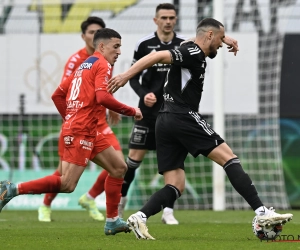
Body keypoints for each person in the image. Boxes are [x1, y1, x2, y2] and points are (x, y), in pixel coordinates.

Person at [107, 18, 293, 240]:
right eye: (219, 40)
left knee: (176, 185)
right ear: (209, 36)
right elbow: (157, 56)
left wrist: (225, 37)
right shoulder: (193, 53)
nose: (221, 45)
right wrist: (125, 76)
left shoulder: (189, 46)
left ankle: (140, 216)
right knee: (229, 158)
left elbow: (196, 40)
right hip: (181, 115)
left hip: (164, 120)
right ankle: (261, 213)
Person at [0, 28, 143, 236]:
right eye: (116, 46)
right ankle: (13, 189)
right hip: (81, 130)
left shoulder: (83, 66)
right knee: (67, 183)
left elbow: (57, 95)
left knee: (119, 168)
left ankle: (112, 220)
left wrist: (70, 117)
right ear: (101, 47)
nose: (120, 51)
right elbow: (103, 98)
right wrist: (132, 110)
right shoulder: (102, 65)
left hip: (86, 128)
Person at [38, 16, 124, 223]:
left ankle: (90, 198)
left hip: (99, 122)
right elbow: (66, 91)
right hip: (80, 123)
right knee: (64, 174)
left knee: (120, 163)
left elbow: (103, 89)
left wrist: (111, 106)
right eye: (92, 32)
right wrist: (71, 118)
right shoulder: (77, 61)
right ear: (84, 36)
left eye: (99, 31)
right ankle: (46, 204)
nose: (95, 35)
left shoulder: (107, 59)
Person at [118, 2, 185, 225]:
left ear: (176, 20)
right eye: (163, 17)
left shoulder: (183, 45)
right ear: (155, 20)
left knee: (172, 163)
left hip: (172, 113)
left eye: (171, 18)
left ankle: (168, 212)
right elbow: (133, 77)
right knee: (132, 162)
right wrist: (144, 94)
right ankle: (120, 204)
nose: (168, 21)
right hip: (146, 114)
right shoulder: (144, 45)